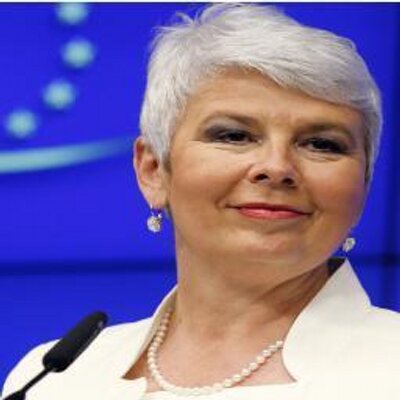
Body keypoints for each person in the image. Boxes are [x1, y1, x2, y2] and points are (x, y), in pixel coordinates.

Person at [2, 3, 400, 400]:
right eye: (234, 136)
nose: (277, 168)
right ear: (154, 170)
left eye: (322, 144)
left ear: (363, 182)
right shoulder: (54, 379)